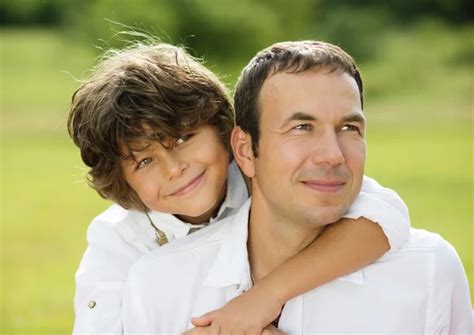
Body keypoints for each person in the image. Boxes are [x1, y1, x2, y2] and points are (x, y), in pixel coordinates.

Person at [122, 40, 472, 334]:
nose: (333, 155)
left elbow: (386, 211)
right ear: (245, 150)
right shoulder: (157, 286)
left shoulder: (428, 271)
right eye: (302, 127)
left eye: (349, 128)